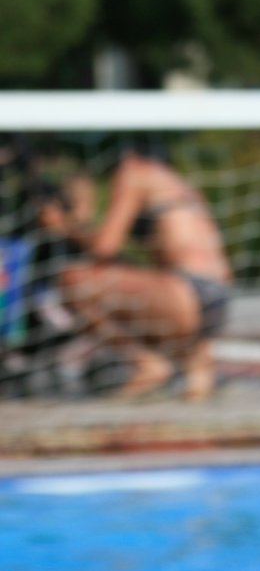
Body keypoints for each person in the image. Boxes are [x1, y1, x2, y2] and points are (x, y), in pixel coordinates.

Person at [37, 148, 232, 401]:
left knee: (71, 279)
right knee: (194, 401)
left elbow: (105, 247)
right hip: (216, 299)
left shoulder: (133, 171)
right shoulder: (172, 180)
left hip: (186, 294)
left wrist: (62, 225)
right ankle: (196, 371)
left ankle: (146, 364)